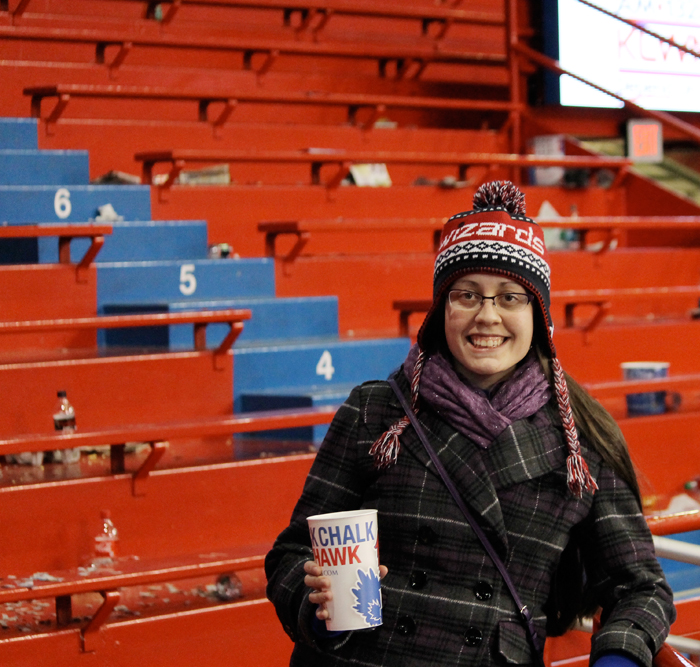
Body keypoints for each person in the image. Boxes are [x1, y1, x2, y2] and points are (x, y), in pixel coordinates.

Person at [265, 181, 675, 666]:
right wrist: (317, 609)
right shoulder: (375, 411)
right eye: (467, 295)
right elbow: (290, 554)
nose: (487, 317)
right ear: (442, 310)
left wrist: (618, 658)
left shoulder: (580, 438)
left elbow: (642, 588)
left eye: (509, 298)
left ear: (537, 315)